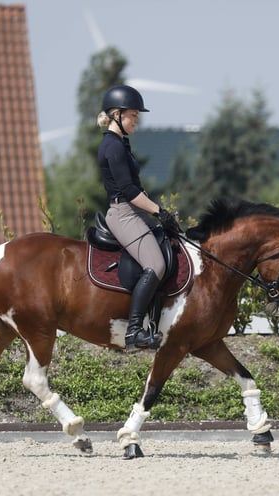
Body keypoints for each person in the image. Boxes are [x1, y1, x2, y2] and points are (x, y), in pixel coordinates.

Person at [97, 85, 182, 351]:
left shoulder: (121, 144)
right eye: (133, 114)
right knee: (155, 265)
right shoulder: (112, 147)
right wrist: (159, 211)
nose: (137, 120)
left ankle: (155, 321)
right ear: (116, 115)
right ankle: (134, 332)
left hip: (133, 211)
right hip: (123, 213)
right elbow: (131, 192)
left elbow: (137, 189)